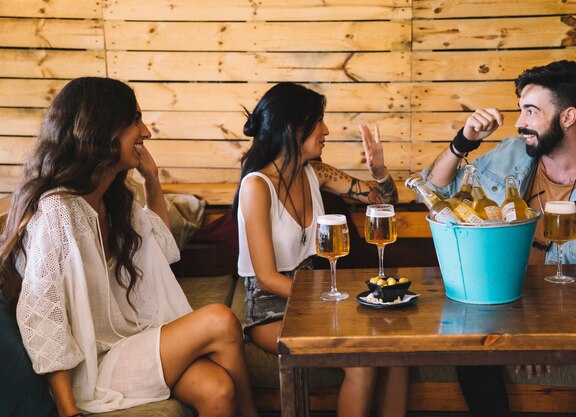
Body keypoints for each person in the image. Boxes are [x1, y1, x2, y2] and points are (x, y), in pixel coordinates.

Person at [0, 77, 258, 417]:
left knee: (218, 390)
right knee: (220, 320)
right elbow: (43, 317)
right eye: (135, 119)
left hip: (126, 343)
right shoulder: (56, 212)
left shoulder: (114, 198)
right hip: (90, 367)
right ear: (102, 128)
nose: (146, 132)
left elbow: (162, 248)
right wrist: (68, 411)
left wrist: (152, 179)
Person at [422, 60, 576, 416]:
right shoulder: (512, 153)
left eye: (531, 111)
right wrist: (463, 142)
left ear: (568, 117)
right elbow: (433, 189)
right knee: (469, 342)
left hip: (569, 314)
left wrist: (545, 331)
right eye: (521, 110)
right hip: (498, 299)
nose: (519, 123)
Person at [234, 82, 408, 417]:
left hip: (317, 300)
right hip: (271, 312)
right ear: (292, 128)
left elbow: (384, 202)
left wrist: (380, 172)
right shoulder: (257, 185)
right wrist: (333, 297)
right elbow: (268, 278)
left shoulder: (316, 172)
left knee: (393, 350)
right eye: (319, 121)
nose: (326, 130)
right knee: (362, 365)